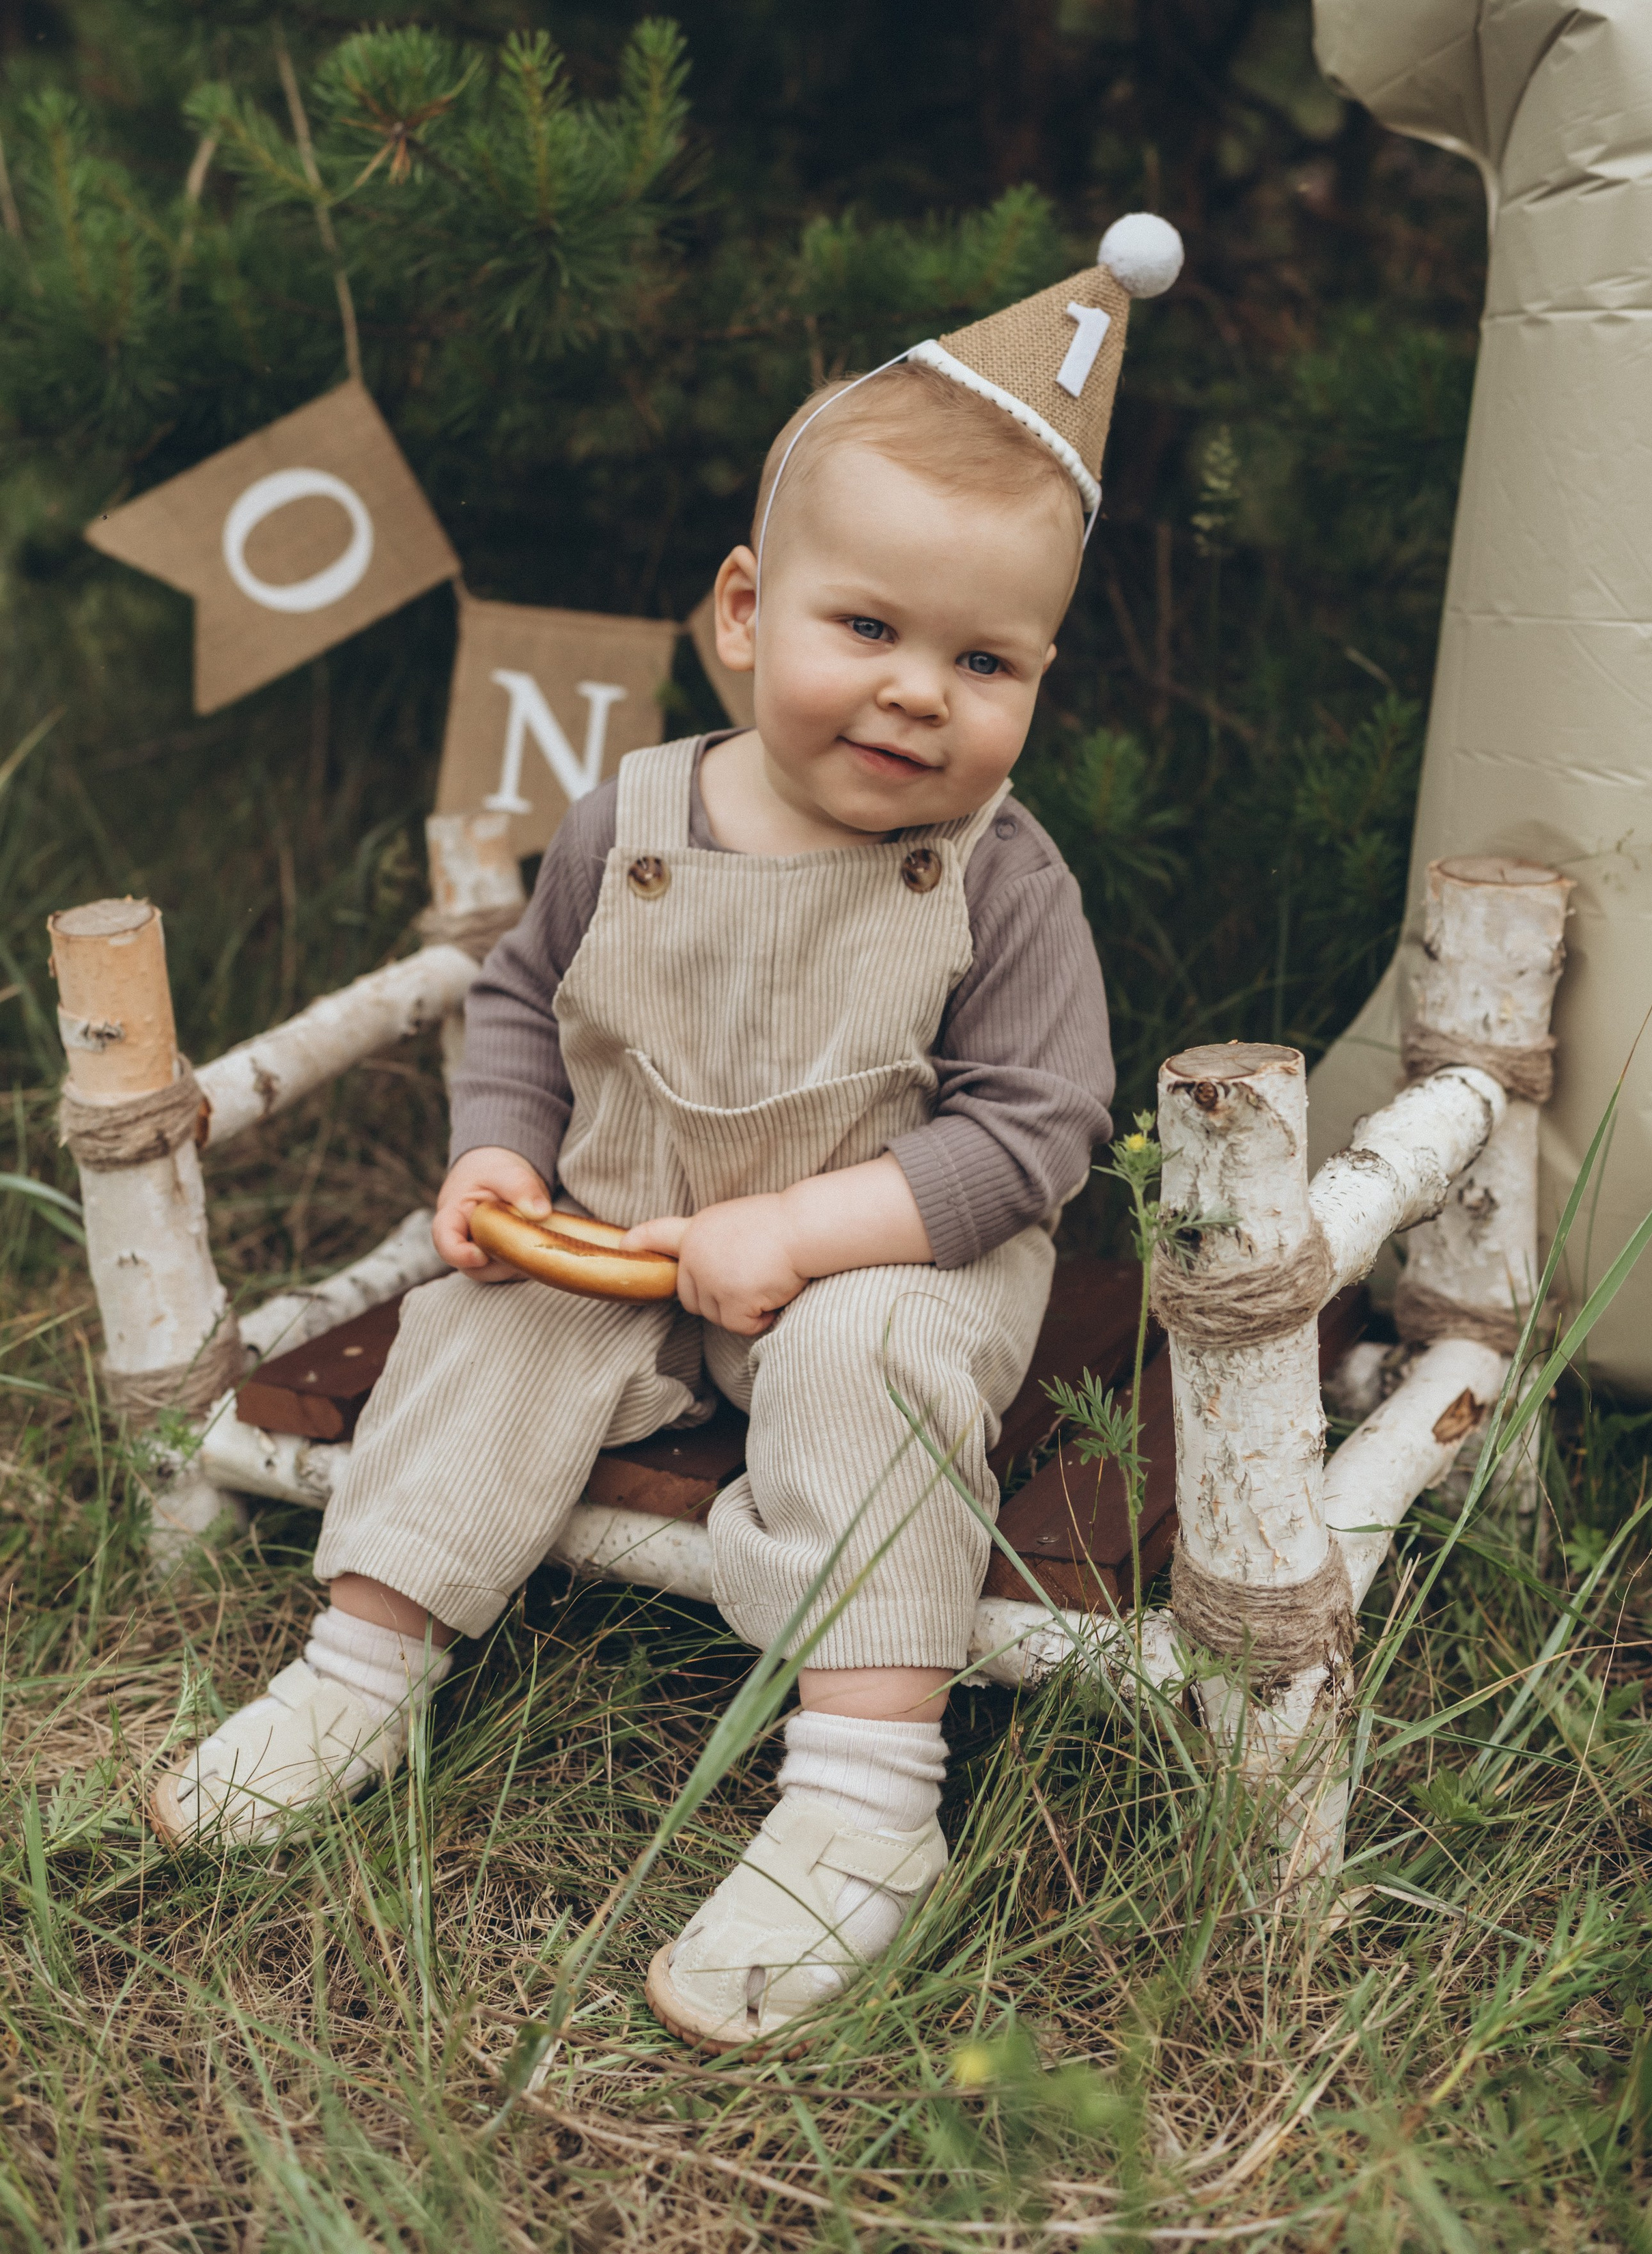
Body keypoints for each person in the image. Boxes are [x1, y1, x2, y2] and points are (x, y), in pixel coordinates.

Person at [150, 214, 1182, 2048]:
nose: (918, 691)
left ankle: (864, 1796)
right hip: (626, 1236)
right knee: (487, 1323)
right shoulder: (624, 813)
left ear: (1034, 679)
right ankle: (362, 1659)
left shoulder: (1001, 878)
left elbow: (1038, 1135)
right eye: (865, 626)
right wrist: (497, 1161)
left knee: (870, 1362)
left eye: (987, 660)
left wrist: (820, 1231)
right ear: (741, 611)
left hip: (886, 1260)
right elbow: (528, 1021)